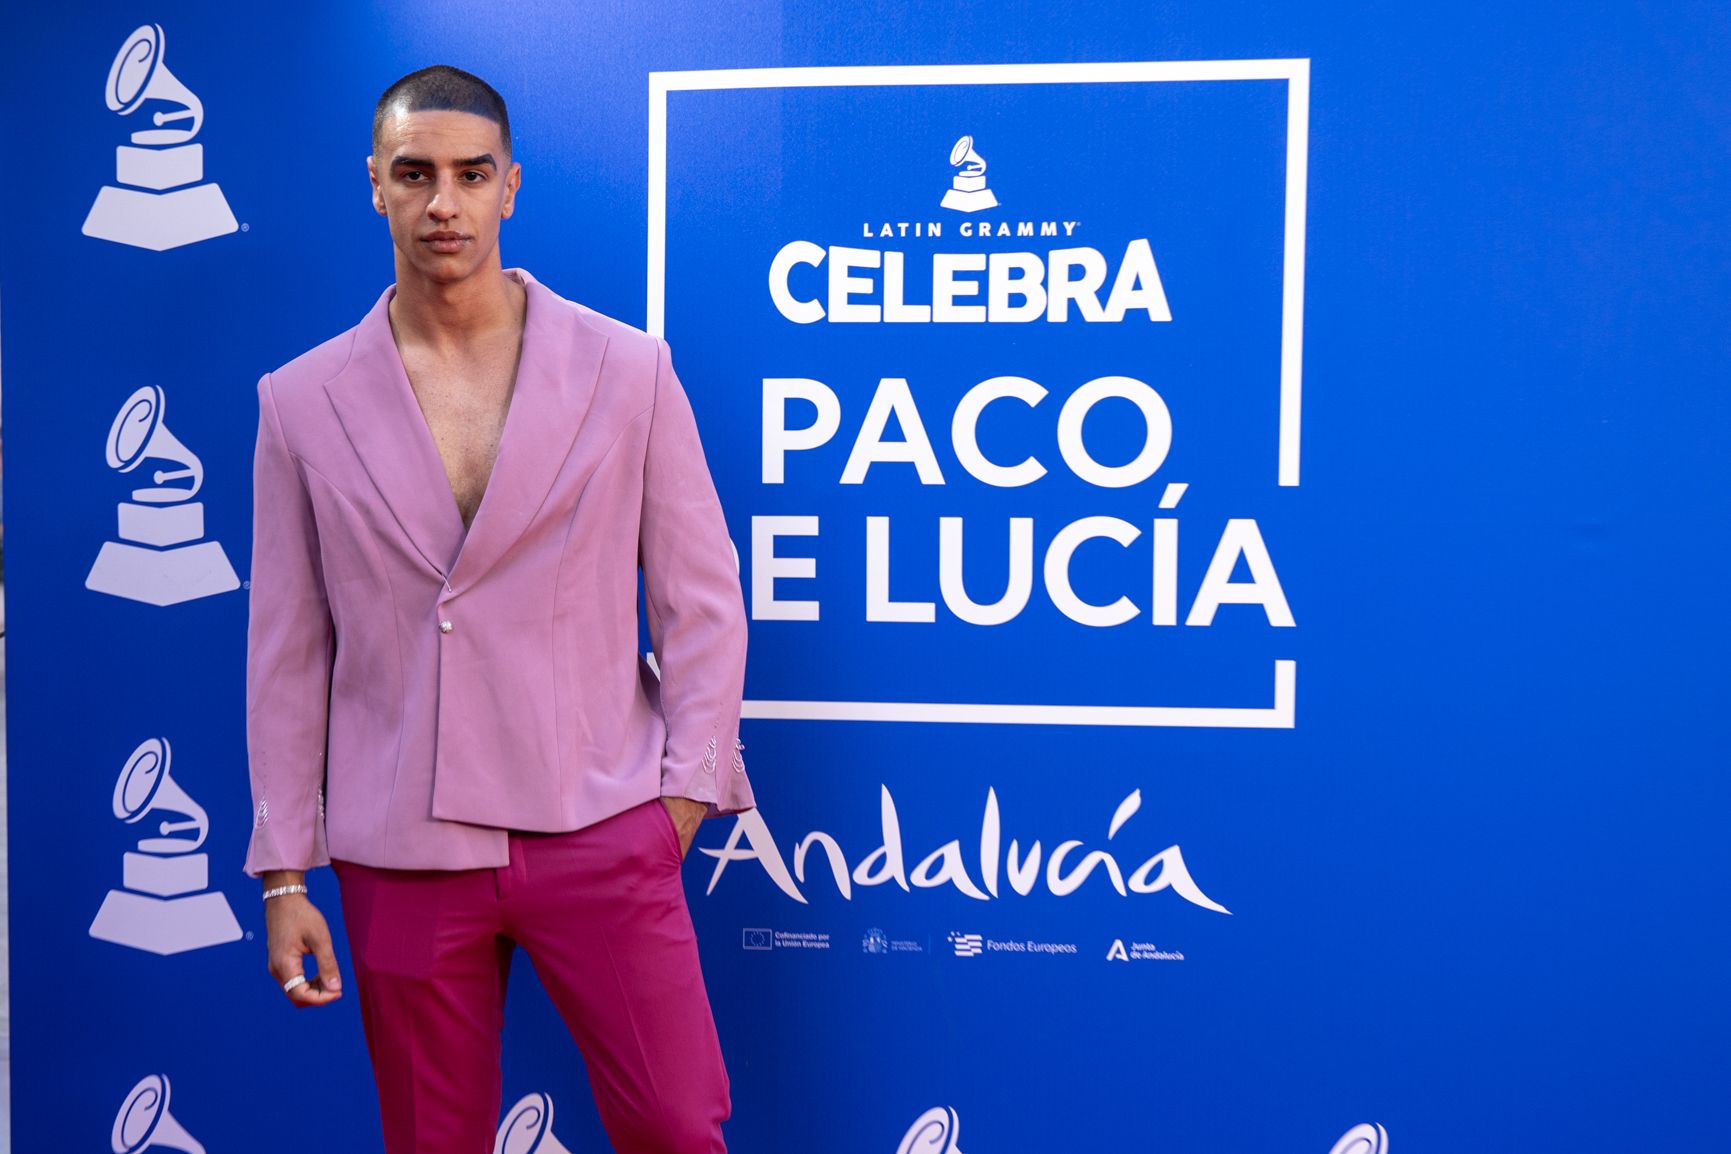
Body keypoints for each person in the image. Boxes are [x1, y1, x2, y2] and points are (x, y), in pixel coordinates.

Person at [241, 64, 755, 1153]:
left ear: (510, 187)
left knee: (675, 1121)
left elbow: (702, 599)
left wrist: (681, 803)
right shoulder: (297, 402)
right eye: (415, 174)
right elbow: (286, 649)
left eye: (471, 175)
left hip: (601, 824)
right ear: (374, 185)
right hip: (404, 844)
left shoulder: (628, 368)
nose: (444, 203)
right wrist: (287, 869)